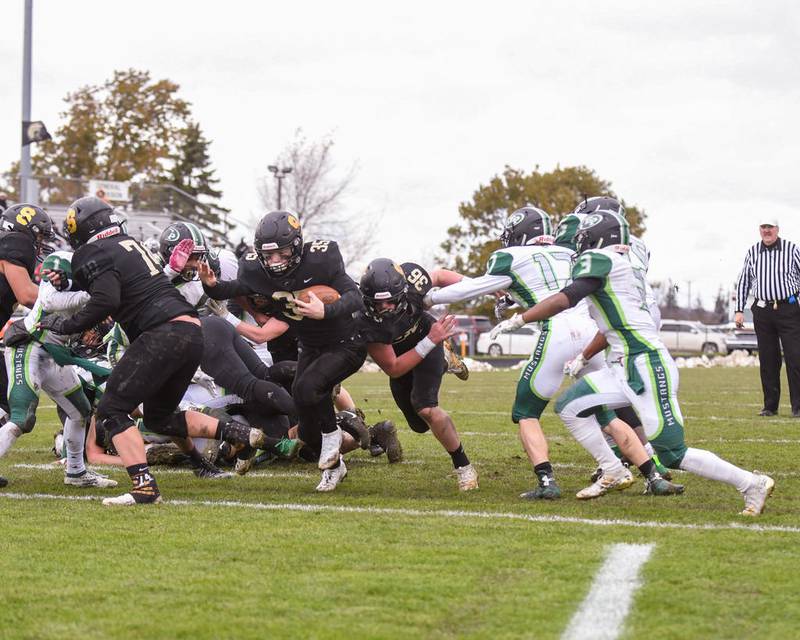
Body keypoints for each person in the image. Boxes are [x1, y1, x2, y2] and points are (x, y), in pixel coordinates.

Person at [494, 209, 775, 516]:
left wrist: (521, 317)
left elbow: (565, 297)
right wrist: (584, 356)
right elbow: (610, 325)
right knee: (571, 405)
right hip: (624, 365)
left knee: (672, 453)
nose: (580, 244)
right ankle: (612, 469)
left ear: (601, 238)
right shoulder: (624, 266)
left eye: (585, 237)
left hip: (646, 366)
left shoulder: (603, 261)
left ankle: (751, 482)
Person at [426, 206, 675, 499]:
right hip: (590, 332)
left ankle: (547, 482)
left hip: (557, 332)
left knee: (526, 412)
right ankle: (652, 475)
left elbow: (470, 290)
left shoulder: (509, 258)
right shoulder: (569, 254)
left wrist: (428, 297)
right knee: (603, 410)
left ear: (520, 233)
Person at [37, 196, 208, 505]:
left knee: (113, 409)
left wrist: (66, 325)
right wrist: (69, 281)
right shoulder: (127, 242)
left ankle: (144, 486)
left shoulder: (92, 251)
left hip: (158, 333)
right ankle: (258, 441)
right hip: (189, 331)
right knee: (156, 415)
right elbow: (117, 281)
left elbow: (106, 299)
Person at [200, 210, 366, 492]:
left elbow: (355, 296)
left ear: (298, 246)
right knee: (302, 398)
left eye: (282, 253)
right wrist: (212, 286)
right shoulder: (257, 269)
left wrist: (325, 310)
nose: (275, 262)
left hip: (346, 340)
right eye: (269, 255)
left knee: (314, 385)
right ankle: (335, 466)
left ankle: (332, 439)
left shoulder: (322, 259)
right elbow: (236, 287)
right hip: (310, 345)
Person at [358, 258, 477, 490]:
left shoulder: (412, 282)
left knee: (426, 407)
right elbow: (393, 367)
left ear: (401, 291)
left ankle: (463, 467)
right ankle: (447, 358)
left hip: (429, 338)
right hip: (405, 357)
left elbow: (441, 276)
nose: (385, 309)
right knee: (419, 425)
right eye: (378, 303)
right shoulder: (364, 319)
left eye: (390, 301)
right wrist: (432, 340)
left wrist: (482, 286)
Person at [0, 203, 54, 488]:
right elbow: (26, 294)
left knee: (6, 398)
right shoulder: (14, 243)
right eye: (39, 236)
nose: (40, 243)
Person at [735, 216, 800, 417]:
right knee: (768, 360)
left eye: (770, 227)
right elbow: (744, 281)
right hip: (762, 311)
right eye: (763, 227)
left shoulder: (792, 249)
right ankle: (770, 406)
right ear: (759, 229)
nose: (766, 230)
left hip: (788, 309)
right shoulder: (753, 252)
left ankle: (798, 407)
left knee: (795, 358)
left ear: (777, 229)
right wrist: (739, 310)